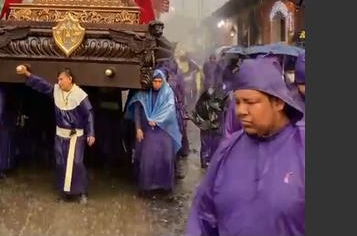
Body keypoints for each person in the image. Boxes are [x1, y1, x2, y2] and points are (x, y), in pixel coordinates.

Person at [186, 57, 305, 236]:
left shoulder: (302, 148)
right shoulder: (227, 151)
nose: (240, 111)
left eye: (250, 102)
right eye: (238, 102)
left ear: (278, 102)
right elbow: (203, 216)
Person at [15, 64, 95, 203]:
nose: (59, 82)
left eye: (61, 79)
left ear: (69, 79)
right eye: (58, 80)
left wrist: (91, 133)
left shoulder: (80, 95)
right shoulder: (57, 90)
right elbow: (42, 85)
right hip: (60, 135)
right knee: (61, 163)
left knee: (76, 163)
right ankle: (65, 193)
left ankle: (81, 192)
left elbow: (89, 115)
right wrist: (27, 74)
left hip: (75, 135)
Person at [126, 69, 181, 195]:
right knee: (148, 160)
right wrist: (138, 128)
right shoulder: (145, 94)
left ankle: (164, 187)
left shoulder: (167, 93)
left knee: (165, 159)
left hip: (164, 131)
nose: (157, 84)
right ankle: (148, 187)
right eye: (155, 81)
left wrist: (157, 120)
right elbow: (137, 110)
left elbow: (170, 110)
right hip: (148, 132)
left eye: (159, 81)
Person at [192, 84, 227, 169]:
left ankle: (205, 161)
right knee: (210, 143)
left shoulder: (202, 102)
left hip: (207, 127)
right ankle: (208, 161)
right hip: (210, 127)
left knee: (206, 144)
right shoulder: (212, 102)